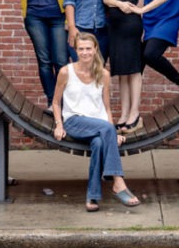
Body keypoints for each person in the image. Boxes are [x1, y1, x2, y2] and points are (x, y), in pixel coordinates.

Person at [52, 33, 141, 211]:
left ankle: (92, 197)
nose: (85, 52)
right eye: (81, 49)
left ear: (95, 50)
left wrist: (110, 133)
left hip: (99, 127)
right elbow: (55, 102)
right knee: (106, 132)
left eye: (88, 49)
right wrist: (59, 125)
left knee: (99, 144)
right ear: (76, 50)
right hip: (74, 121)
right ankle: (118, 182)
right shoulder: (66, 72)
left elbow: (106, 107)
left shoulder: (104, 74)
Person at [102, 0, 168, 133]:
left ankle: (135, 113)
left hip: (131, 26)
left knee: (133, 69)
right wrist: (120, 4)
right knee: (121, 71)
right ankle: (123, 114)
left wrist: (141, 10)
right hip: (115, 26)